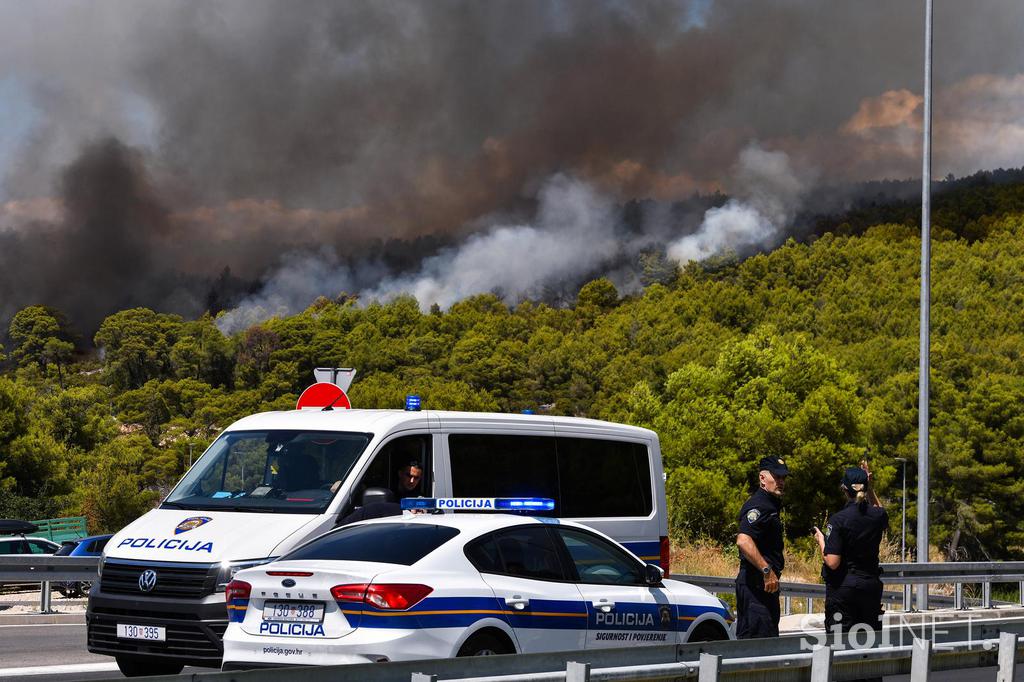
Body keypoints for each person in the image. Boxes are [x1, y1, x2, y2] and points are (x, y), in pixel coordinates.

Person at [813, 462, 887, 641]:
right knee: (869, 643)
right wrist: (870, 488)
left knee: (839, 644)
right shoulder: (877, 516)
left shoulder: (839, 520)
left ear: (844, 489)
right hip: (870, 588)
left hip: (844, 590)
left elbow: (832, 562)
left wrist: (821, 541)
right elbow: (879, 511)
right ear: (866, 488)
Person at [735, 455, 789, 638]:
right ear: (762, 478)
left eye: (783, 478)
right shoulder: (760, 505)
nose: (781, 481)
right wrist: (766, 570)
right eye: (777, 477)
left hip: (763, 587)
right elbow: (743, 540)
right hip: (755, 586)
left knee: (766, 645)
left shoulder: (771, 505)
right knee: (757, 649)